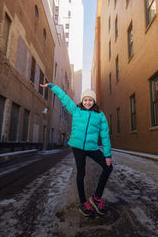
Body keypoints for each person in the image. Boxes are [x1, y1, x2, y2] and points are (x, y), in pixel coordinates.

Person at [40, 83, 113, 216]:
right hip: (78, 147)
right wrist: (51, 86)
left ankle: (96, 198)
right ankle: (83, 203)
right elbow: (64, 98)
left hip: (92, 147)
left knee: (108, 167)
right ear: (82, 100)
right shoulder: (76, 110)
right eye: (85, 99)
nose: (87, 102)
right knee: (81, 173)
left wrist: (107, 155)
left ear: (94, 101)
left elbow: (105, 135)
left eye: (90, 100)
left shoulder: (100, 115)